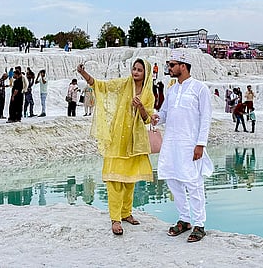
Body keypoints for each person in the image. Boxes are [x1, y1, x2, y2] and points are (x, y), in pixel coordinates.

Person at [77, 58, 154, 236]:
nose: (135, 72)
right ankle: (115, 219)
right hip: (117, 139)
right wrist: (84, 74)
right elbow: (103, 86)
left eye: (139, 70)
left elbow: (147, 118)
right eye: (134, 69)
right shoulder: (123, 84)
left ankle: (126, 213)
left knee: (129, 180)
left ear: (146, 73)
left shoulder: (149, 93)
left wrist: (141, 106)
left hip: (133, 141)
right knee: (115, 180)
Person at [150, 50, 213, 243]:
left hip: (190, 144)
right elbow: (165, 113)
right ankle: (184, 220)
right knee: (173, 181)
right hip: (171, 144)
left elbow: (206, 118)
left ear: (183, 66)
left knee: (193, 183)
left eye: (172, 65)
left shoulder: (200, 89)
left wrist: (200, 144)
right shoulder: (172, 90)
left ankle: (199, 224)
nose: (169, 68)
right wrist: (156, 118)